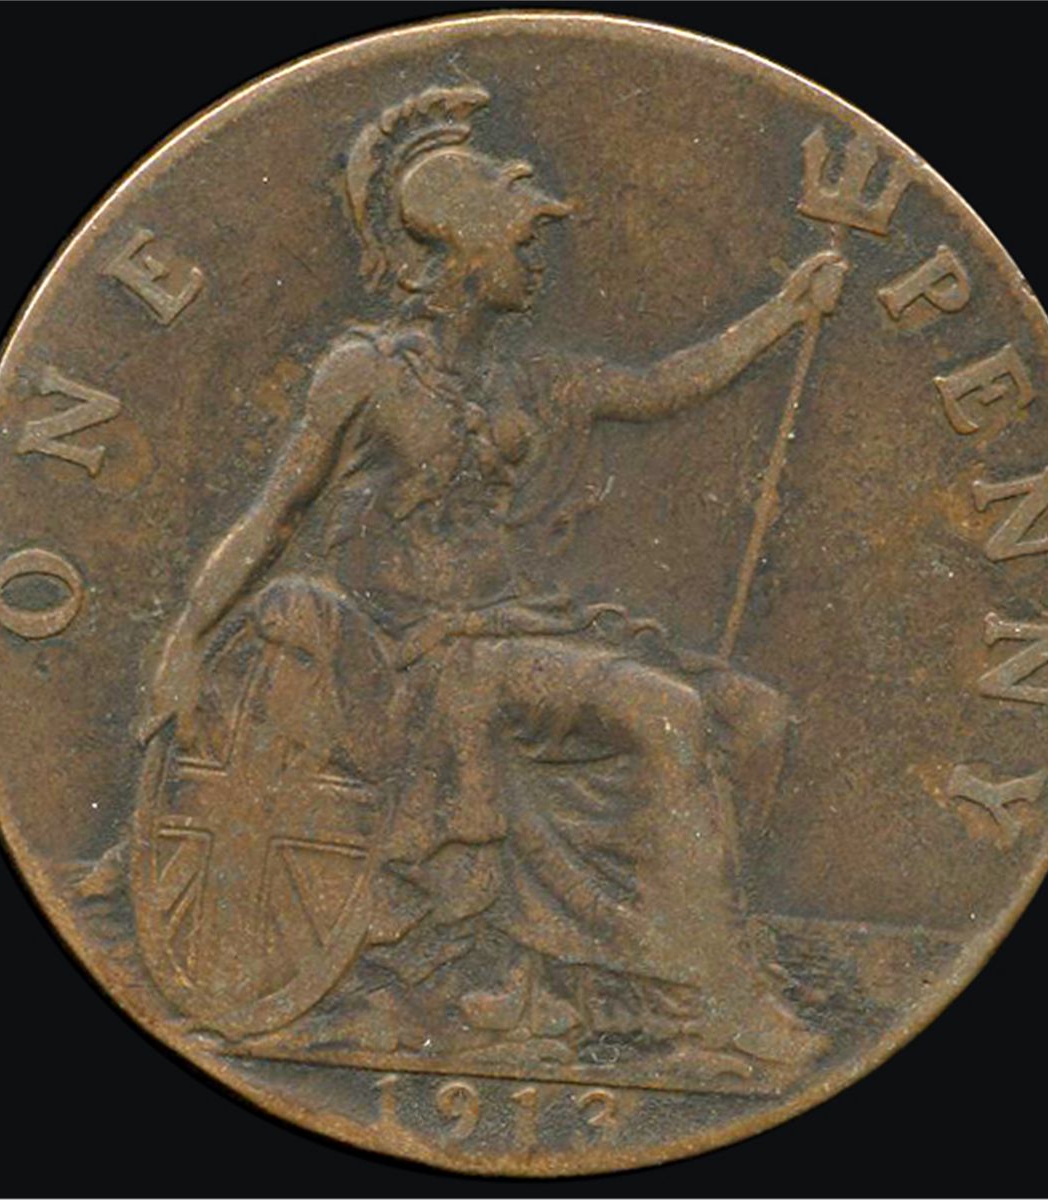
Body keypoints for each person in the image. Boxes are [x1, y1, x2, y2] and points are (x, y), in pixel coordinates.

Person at [138, 85, 846, 1081]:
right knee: (668, 714)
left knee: (757, 717)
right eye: (523, 238)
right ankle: (727, 1006)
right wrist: (186, 635)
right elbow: (273, 515)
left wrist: (786, 311)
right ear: (464, 252)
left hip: (518, 629)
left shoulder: (537, 378)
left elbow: (664, 385)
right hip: (418, 659)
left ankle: (641, 986)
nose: (540, 257)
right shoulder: (365, 374)